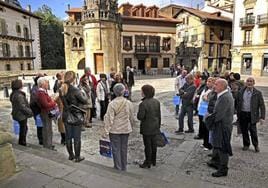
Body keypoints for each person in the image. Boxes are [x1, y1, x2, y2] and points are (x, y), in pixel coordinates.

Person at [103, 83, 134, 171]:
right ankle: (124, 166)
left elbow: (109, 119)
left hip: (115, 130)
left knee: (116, 148)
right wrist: (130, 125)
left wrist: (106, 131)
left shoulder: (112, 104)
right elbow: (131, 117)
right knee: (124, 148)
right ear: (123, 92)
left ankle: (118, 166)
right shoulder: (128, 103)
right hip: (125, 129)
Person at [207, 79, 234, 177]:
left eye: (216, 84)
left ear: (222, 86)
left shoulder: (225, 97)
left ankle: (223, 169)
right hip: (221, 125)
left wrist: (208, 118)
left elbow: (219, 115)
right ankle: (217, 163)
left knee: (223, 148)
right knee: (218, 145)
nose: (214, 86)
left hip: (223, 126)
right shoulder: (222, 95)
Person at [60, 71, 88, 162]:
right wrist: (83, 91)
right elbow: (84, 100)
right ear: (73, 79)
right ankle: (77, 156)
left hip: (66, 114)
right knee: (76, 137)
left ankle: (71, 155)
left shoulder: (61, 88)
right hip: (75, 115)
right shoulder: (75, 90)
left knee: (68, 137)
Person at [237, 77, 265, 152]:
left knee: (253, 130)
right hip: (243, 113)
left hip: (252, 114)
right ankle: (246, 144)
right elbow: (237, 102)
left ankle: (256, 145)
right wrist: (236, 112)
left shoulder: (257, 93)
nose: (249, 83)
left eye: (251, 81)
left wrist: (262, 117)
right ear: (246, 83)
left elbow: (262, 105)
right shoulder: (241, 91)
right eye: (248, 81)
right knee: (244, 130)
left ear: (254, 83)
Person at [137, 85, 161, 168]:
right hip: (155, 126)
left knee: (147, 146)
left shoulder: (143, 104)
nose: (141, 93)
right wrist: (158, 126)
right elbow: (159, 115)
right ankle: (153, 160)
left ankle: (147, 162)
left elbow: (140, 117)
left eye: (142, 91)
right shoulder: (156, 102)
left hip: (146, 128)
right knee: (154, 144)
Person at [36, 77, 57, 150]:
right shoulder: (41, 93)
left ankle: (48, 144)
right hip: (45, 113)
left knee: (47, 129)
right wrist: (53, 102)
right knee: (47, 129)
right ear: (42, 84)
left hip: (46, 112)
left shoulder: (43, 92)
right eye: (46, 82)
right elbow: (45, 104)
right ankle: (48, 145)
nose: (48, 84)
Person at [10, 79, 33, 146]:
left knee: (24, 128)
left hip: (17, 113)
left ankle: (22, 141)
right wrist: (30, 112)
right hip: (21, 115)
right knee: (24, 129)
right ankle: (22, 142)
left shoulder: (14, 93)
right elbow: (22, 107)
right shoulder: (19, 95)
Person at [30, 74, 44, 145]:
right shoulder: (35, 89)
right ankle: (41, 139)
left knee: (41, 125)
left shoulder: (36, 88)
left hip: (37, 109)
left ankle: (41, 138)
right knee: (40, 125)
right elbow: (36, 101)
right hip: (37, 110)